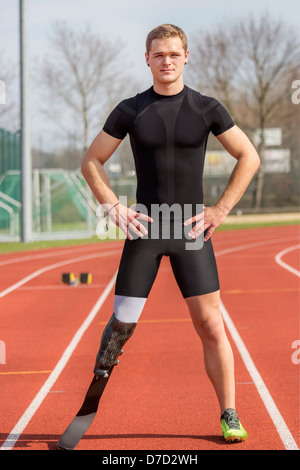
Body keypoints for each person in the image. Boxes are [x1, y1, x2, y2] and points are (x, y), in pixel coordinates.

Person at [81, 24, 260, 443]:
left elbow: (248, 156)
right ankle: (90, 401)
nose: (167, 61)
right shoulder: (130, 110)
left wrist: (221, 208)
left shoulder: (206, 108)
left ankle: (229, 413)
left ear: (186, 57)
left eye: (174, 54)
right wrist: (112, 206)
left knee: (211, 324)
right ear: (147, 58)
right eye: (159, 54)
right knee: (122, 324)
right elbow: (92, 161)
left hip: (190, 228)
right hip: (144, 226)